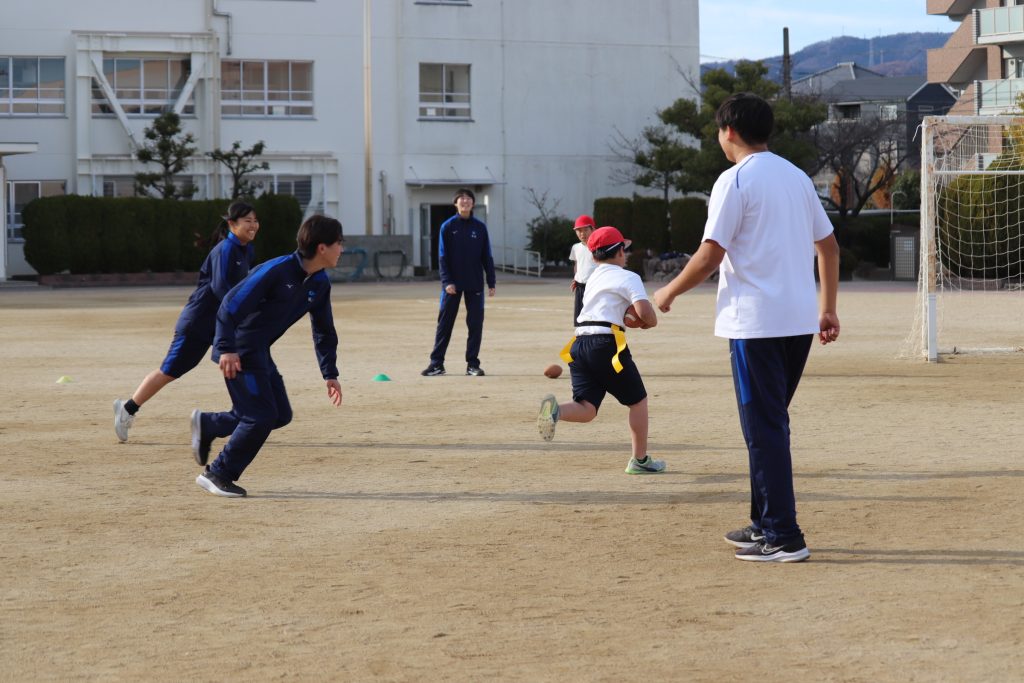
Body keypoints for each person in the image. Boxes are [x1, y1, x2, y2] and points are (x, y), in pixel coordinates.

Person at [652, 92, 841, 563]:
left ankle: (784, 535)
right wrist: (828, 308)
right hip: (797, 321)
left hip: (756, 323)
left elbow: (710, 254)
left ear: (729, 131)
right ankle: (763, 522)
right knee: (769, 424)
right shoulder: (796, 177)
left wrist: (667, 292)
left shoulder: (734, 179)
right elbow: (829, 247)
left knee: (764, 428)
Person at [191, 215, 345, 497]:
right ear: (322, 247)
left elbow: (323, 330)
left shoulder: (319, 282)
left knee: (280, 414)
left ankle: (210, 424)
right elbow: (229, 305)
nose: (342, 249)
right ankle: (218, 473)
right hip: (238, 349)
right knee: (259, 416)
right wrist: (226, 348)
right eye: (339, 243)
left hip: (259, 348)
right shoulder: (277, 270)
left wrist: (330, 373)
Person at [112, 201, 259, 442]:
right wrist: (244, 310)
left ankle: (247, 418)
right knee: (170, 371)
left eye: (255, 220)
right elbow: (221, 288)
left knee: (240, 363)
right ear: (232, 224)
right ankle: (127, 409)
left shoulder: (246, 250)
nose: (253, 225)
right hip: (198, 322)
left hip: (222, 323)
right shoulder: (225, 250)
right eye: (247, 221)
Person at [537, 226, 665, 475]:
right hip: (606, 344)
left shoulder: (593, 277)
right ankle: (639, 460)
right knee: (638, 401)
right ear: (619, 252)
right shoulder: (628, 277)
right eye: (624, 249)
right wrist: (647, 321)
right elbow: (644, 312)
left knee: (587, 408)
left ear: (594, 256)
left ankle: (555, 410)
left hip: (579, 344)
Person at [421, 188, 497, 377]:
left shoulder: (480, 228)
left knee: (475, 324)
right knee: (445, 324)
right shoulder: (447, 226)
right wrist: (447, 281)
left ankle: (472, 364)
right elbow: (442, 256)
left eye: (469, 198)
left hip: (475, 282)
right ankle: (437, 364)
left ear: (473, 203)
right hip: (452, 285)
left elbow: (486, 256)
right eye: (461, 198)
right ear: (455, 203)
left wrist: (491, 281)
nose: (465, 201)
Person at [568, 214, 597, 326]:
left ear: (593, 229)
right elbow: (577, 264)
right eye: (579, 231)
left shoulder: (598, 247)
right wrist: (576, 278)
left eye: (585, 230)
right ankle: (581, 333)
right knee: (580, 316)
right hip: (580, 286)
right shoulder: (576, 247)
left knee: (593, 316)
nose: (582, 233)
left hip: (594, 286)